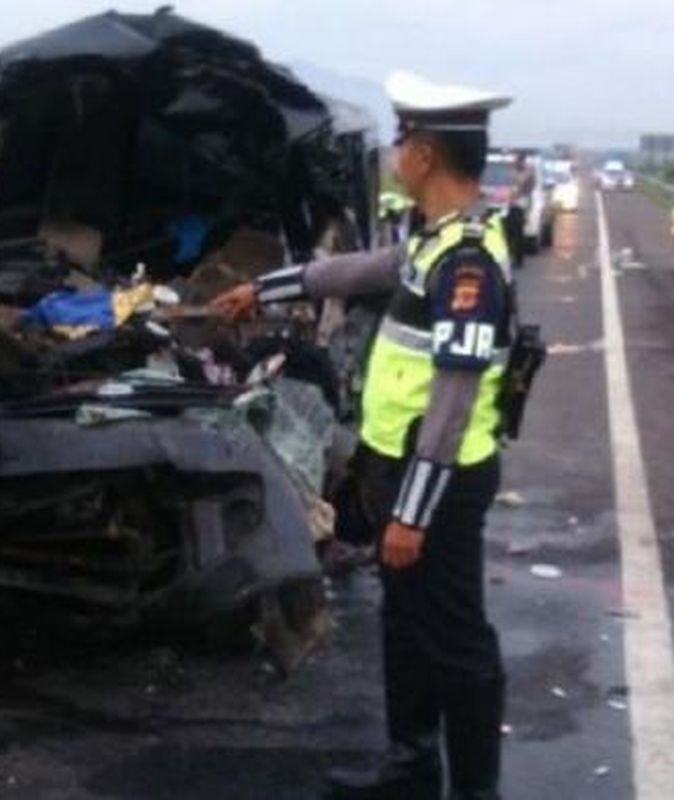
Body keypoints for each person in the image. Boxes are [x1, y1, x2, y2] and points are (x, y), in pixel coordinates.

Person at [212, 69, 515, 800]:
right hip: (396, 471)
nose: (394, 150)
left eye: (402, 137)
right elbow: (352, 269)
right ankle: (409, 774)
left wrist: (412, 511)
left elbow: (453, 400)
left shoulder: (469, 262)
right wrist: (264, 287)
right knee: (406, 630)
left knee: (459, 642)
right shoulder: (435, 243)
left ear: (425, 156)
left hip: (436, 483)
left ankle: (476, 792)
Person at [505, 153, 535, 269]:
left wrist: (516, 192)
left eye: (517, 160)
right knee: (509, 233)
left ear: (522, 161)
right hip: (511, 204)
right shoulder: (513, 171)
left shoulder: (527, 172)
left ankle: (518, 259)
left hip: (520, 204)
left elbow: (523, 186)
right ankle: (509, 257)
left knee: (517, 234)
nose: (515, 162)